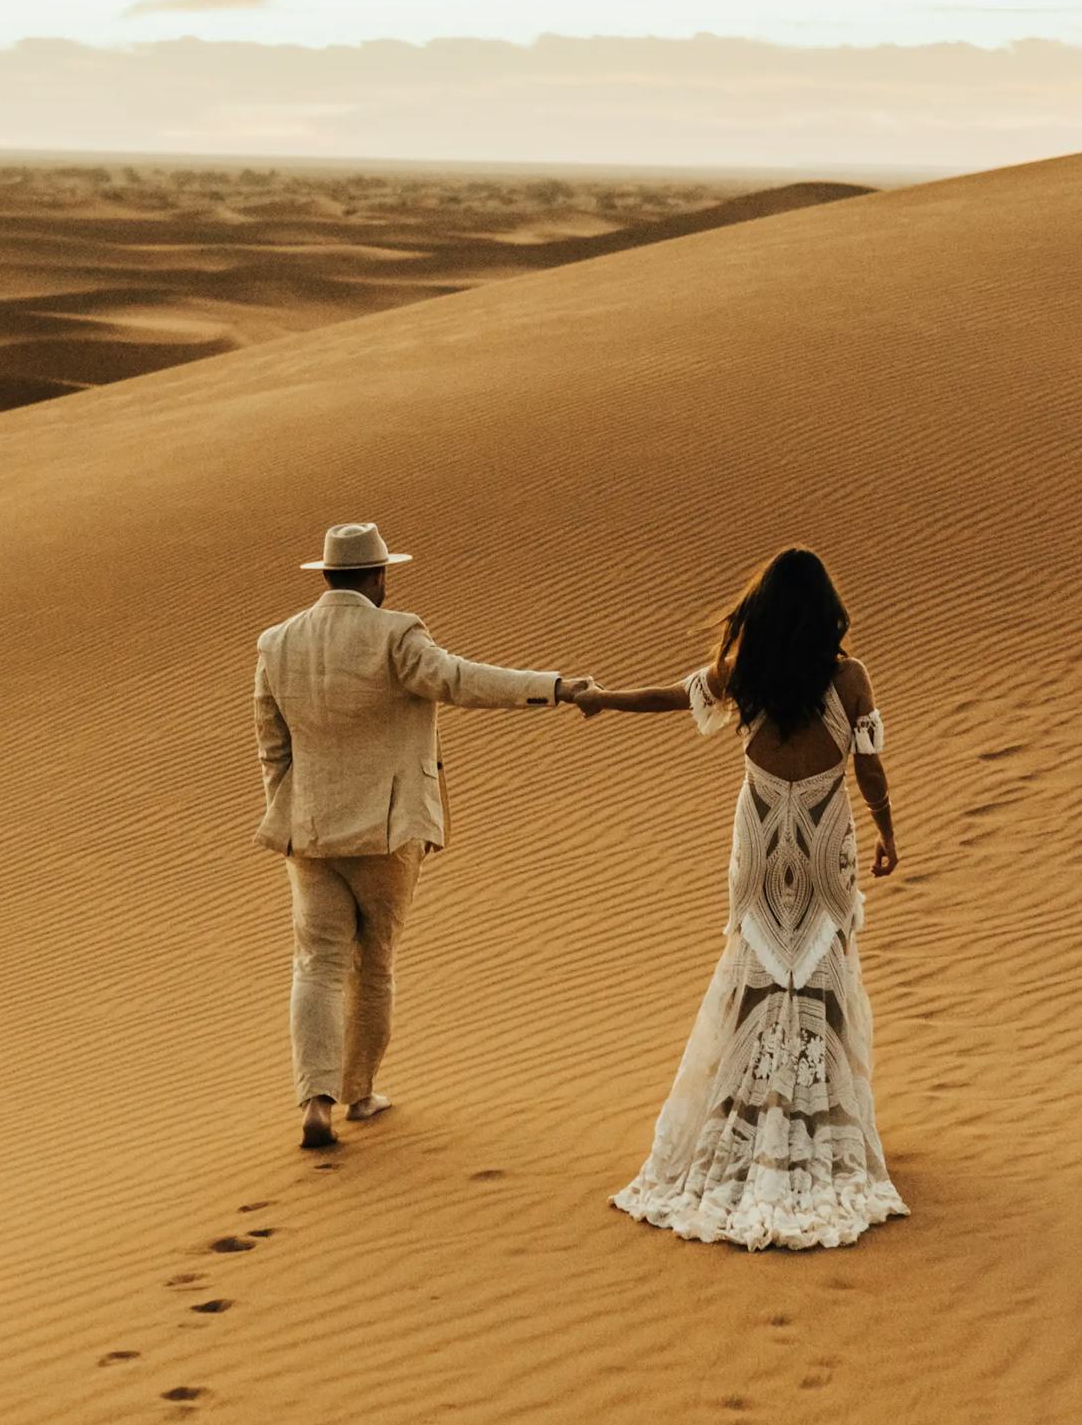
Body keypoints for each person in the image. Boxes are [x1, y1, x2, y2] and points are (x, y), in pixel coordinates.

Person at [568, 547, 909, 1249]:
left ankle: (752, 1114)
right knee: (821, 968)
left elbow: (669, 697)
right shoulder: (850, 678)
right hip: (820, 844)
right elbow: (869, 769)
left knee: (756, 967)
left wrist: (602, 699)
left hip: (758, 842)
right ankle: (819, 1124)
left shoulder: (747, 676)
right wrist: (888, 834)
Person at [253, 521, 589, 1152]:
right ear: (378, 576)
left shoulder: (278, 643)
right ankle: (360, 1092)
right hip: (387, 833)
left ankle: (315, 1102)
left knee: (317, 966)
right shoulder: (396, 634)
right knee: (374, 963)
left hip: (311, 835)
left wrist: (294, 809)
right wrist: (554, 688)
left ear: (326, 574)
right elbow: (463, 681)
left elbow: (272, 747)